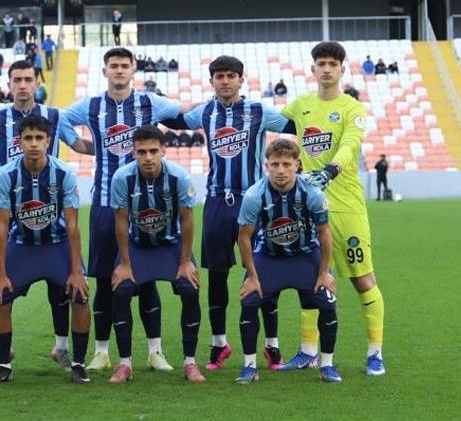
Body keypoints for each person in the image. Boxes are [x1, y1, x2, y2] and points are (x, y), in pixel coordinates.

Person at [0, 61, 94, 369]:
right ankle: (5, 352)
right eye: (17, 80)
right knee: (4, 289)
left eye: (28, 79)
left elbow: (79, 144)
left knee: (61, 289)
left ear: (36, 82)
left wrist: (120, 147)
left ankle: (61, 348)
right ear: (9, 84)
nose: (23, 85)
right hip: (12, 214)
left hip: (51, 212)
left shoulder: (54, 116)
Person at [165, 55, 295, 371]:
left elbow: (294, 126)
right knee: (217, 274)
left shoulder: (258, 111)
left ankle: (272, 345)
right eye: (219, 76)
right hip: (216, 202)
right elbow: (176, 121)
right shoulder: (205, 112)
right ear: (211, 81)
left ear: (241, 79)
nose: (225, 81)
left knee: (263, 270)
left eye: (230, 76)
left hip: (255, 201)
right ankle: (219, 344)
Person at [63, 47, 185, 372]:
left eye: (124, 65)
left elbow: (185, 113)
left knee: (146, 279)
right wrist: (83, 146)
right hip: (104, 203)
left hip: (143, 206)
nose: (119, 70)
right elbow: (58, 120)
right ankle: (102, 352)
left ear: (133, 69)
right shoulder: (90, 106)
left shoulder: (150, 103)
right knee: (104, 280)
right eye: (113, 65)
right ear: (104, 71)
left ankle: (155, 352)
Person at [280, 41, 386, 376]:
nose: (326, 69)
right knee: (309, 280)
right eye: (321, 63)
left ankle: (375, 354)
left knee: (363, 279)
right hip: (310, 209)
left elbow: (349, 145)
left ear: (342, 69)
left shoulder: (353, 108)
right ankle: (308, 352)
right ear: (313, 69)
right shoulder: (300, 106)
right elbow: (271, 126)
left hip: (347, 207)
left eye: (332, 64)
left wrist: (330, 170)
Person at [0, 115, 91, 385]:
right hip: (22, 245)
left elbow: (73, 224)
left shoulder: (64, 173)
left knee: (80, 295)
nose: (33, 144)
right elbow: (1, 224)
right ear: (19, 142)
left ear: (48, 141)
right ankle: (3, 364)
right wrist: (0, 273)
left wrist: (76, 271)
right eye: (28, 138)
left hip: (57, 245)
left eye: (39, 138)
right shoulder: (7, 174)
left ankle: (78, 364)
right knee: (0, 298)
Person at [235, 138, 341, 384]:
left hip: (305, 255)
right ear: (266, 166)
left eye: (286, 164)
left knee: (327, 302)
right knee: (249, 301)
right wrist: (252, 276)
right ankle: (249, 367)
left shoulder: (312, 193)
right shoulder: (254, 195)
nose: (280, 170)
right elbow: (244, 237)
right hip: (269, 257)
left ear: (297, 165)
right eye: (275, 165)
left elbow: (325, 234)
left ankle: (327, 365)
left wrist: (324, 272)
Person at [108, 125, 204, 383]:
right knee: (121, 290)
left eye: (153, 151)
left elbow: (188, 221)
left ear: (163, 150)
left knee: (190, 289)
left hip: (171, 245)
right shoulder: (122, 178)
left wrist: (185, 261)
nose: (148, 157)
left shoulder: (179, 177)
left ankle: (190, 362)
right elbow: (120, 222)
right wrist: (125, 264)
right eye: (142, 152)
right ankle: (125, 363)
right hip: (137, 246)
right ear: (133, 153)